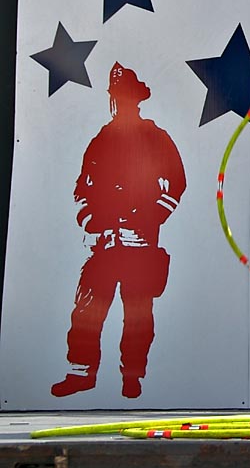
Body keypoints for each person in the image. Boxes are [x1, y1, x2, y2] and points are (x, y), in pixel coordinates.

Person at [52, 63, 186, 399]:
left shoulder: (156, 137)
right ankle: (81, 372)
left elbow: (176, 184)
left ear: (135, 100)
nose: (118, 103)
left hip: (139, 245)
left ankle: (132, 375)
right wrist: (89, 219)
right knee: (86, 309)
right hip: (104, 244)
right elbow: (82, 188)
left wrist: (149, 219)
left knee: (138, 314)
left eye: (123, 97)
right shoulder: (100, 139)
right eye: (115, 97)